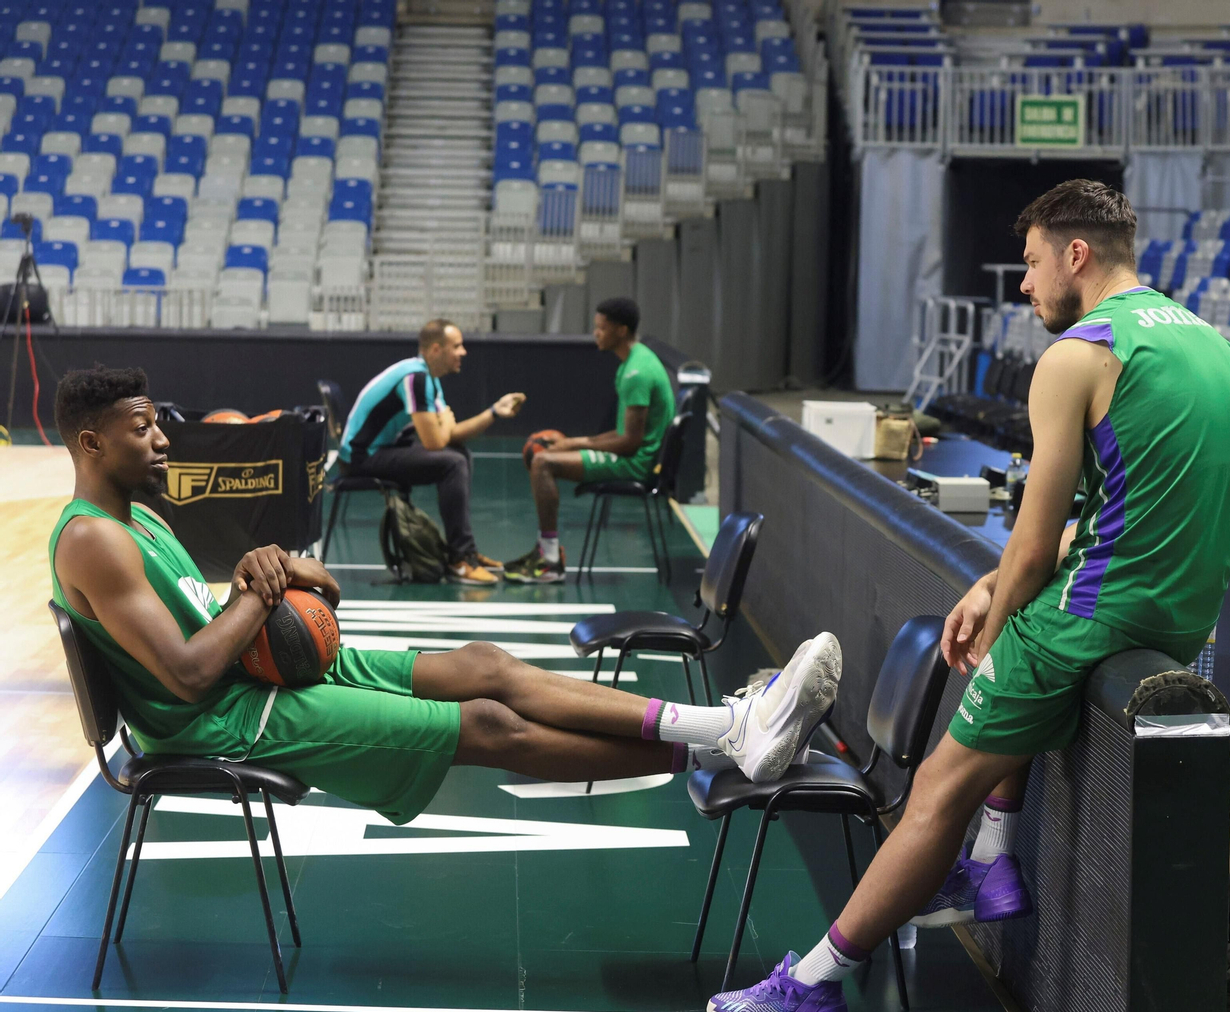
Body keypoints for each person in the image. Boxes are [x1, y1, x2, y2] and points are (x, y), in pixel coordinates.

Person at [706, 179, 1230, 1012]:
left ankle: (812, 983)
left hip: (1092, 617)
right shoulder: (1210, 344)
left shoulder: (1079, 353)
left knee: (932, 790)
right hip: (1177, 625)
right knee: (1004, 611)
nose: (1025, 286)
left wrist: (999, 631)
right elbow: (1131, 503)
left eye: (1033, 264)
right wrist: (992, 583)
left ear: (1077, 255)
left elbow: (1035, 553)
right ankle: (994, 862)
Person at [49, 366, 842, 832]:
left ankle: (732, 729)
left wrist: (273, 573)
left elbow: (208, 615)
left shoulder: (139, 515)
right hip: (226, 718)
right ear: (92, 443)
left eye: (158, 424)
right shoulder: (92, 538)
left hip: (252, 681)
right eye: (143, 428)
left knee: (486, 663)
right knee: (491, 724)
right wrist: (262, 591)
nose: (162, 439)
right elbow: (187, 675)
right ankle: (722, 739)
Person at [340, 319, 525, 586]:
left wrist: (494, 412)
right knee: (452, 462)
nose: (463, 352)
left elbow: (450, 433)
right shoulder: (415, 378)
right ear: (436, 350)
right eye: (457, 346)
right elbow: (435, 443)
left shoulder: (429, 379)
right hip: (360, 458)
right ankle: (460, 561)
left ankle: (464, 552)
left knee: (460, 455)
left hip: (381, 449)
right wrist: (445, 423)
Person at [505, 297, 676, 584]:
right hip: (634, 455)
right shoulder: (634, 361)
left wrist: (575, 444)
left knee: (542, 462)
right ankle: (547, 552)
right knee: (545, 456)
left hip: (635, 465)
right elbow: (624, 433)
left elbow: (630, 443)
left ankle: (549, 561)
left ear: (621, 331)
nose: (596, 333)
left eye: (601, 328)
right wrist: (575, 442)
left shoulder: (637, 372)